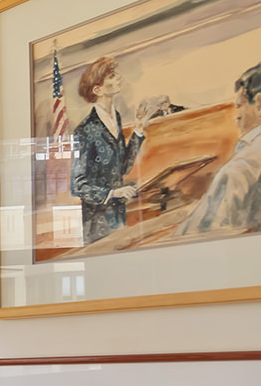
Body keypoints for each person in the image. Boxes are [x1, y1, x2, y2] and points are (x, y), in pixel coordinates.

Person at [69, 57, 162, 245]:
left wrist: (137, 130)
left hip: (118, 216)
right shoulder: (84, 130)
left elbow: (123, 168)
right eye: (111, 76)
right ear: (98, 90)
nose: (119, 78)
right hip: (98, 225)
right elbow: (78, 185)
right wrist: (113, 193)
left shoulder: (116, 118)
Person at [179, 62, 261, 238]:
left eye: (240, 105)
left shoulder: (239, 169)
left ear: (259, 104)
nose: (236, 116)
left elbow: (199, 236)